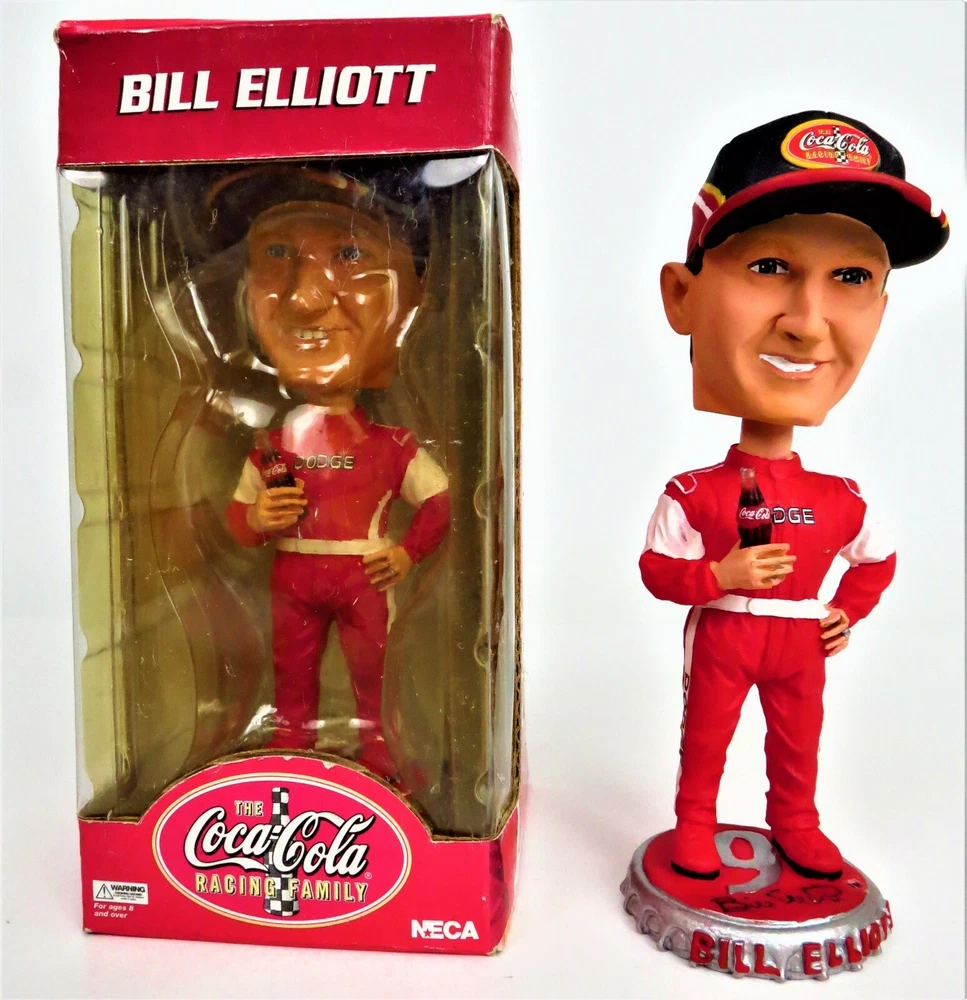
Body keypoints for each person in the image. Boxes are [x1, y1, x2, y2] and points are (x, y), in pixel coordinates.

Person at [639, 112, 948, 880]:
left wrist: (846, 609)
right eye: (770, 266)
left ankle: (795, 821)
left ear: (879, 312)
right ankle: (694, 821)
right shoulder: (693, 492)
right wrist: (718, 577)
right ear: (682, 297)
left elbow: (878, 558)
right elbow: (656, 569)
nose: (809, 324)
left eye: (851, 278)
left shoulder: (840, 497)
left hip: (800, 640)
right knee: (706, 736)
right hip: (726, 630)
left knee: (798, 739)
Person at [222, 166, 450, 783]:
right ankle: (291, 757)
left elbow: (439, 502)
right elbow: (238, 521)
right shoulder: (272, 445)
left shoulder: (391, 445)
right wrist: (258, 519)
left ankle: (380, 757)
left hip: (361, 573)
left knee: (374, 676)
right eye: (276, 253)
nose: (305, 297)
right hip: (294, 573)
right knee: (291, 675)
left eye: (349, 254)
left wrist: (406, 553)